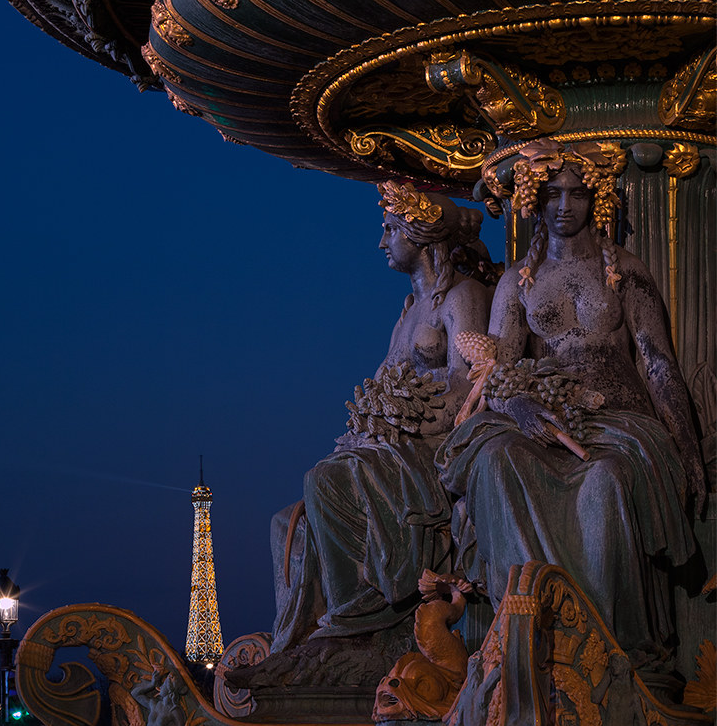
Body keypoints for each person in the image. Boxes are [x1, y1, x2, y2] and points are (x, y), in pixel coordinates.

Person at [437, 140, 706, 672]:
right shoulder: (517, 282)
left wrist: (687, 446)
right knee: (497, 460)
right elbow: (497, 370)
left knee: (605, 480)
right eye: (554, 194)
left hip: (619, 417)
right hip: (543, 414)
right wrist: (518, 410)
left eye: (578, 195)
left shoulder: (624, 271)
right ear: (536, 201)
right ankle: (526, 628)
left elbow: (657, 365)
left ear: (595, 200)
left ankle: (609, 640)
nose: (565, 206)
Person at [236, 183, 497, 690]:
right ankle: (301, 637)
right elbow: (383, 384)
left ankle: (356, 623)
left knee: (326, 479)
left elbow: (468, 385)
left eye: (390, 229)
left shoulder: (462, 296)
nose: (382, 242)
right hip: (391, 446)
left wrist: (400, 414)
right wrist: (374, 418)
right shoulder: (408, 312)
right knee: (283, 523)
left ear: (420, 234)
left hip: (433, 445)